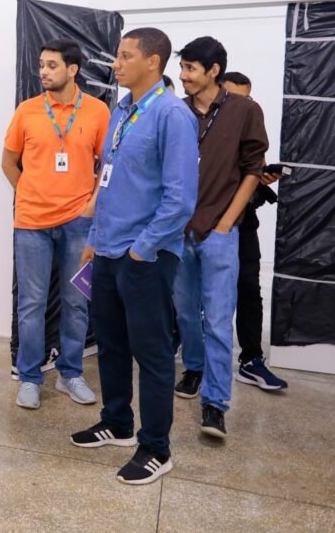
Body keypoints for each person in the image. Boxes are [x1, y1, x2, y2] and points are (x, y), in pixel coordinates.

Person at [70, 27, 198, 486]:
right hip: (107, 247)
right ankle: (118, 422)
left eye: (125, 56)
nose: (116, 64)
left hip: (146, 255)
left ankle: (156, 448)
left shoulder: (172, 115)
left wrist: (142, 250)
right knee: (110, 343)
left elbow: (180, 200)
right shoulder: (122, 110)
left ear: (153, 62)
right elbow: (107, 180)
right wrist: (94, 237)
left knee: (153, 353)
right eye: (117, 56)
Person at [1, 38, 111, 409]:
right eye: (41, 65)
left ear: (72, 69)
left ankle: (70, 373)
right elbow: (8, 161)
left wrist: (90, 208)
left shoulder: (97, 111)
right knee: (31, 304)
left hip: (79, 223)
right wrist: (28, 192)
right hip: (31, 223)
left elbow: (107, 166)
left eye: (52, 65)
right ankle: (29, 377)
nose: (44, 72)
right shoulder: (27, 110)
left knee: (76, 302)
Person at [173, 40, 269, 440]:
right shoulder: (176, 111)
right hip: (177, 233)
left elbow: (253, 170)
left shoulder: (244, 110)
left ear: (213, 71)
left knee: (216, 319)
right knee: (184, 313)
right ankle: (194, 368)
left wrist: (227, 223)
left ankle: (215, 403)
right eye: (182, 68)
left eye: (191, 68)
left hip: (219, 233)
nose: (183, 76)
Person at [217, 72, 288, 391]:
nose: (242, 106)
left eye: (248, 99)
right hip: (203, 226)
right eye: (235, 98)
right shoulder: (198, 129)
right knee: (194, 293)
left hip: (243, 226)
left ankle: (251, 360)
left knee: (248, 289)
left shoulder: (251, 134)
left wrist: (260, 181)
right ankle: (194, 361)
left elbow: (250, 184)